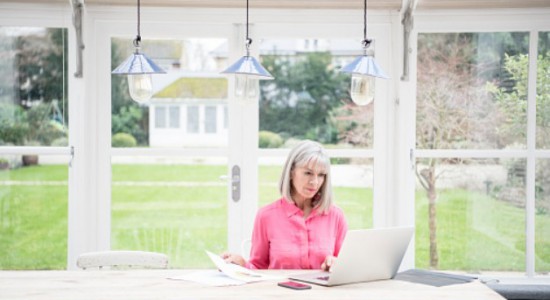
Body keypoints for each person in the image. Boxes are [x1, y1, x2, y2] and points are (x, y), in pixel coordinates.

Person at [222, 140, 348, 270]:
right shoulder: (266, 216)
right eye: (308, 173)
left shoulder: (335, 216)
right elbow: (258, 268)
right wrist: (242, 264)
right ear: (291, 172)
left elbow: (346, 266)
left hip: (323, 291)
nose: (315, 182)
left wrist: (336, 263)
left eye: (321, 175)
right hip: (280, 289)